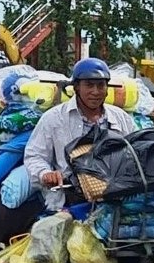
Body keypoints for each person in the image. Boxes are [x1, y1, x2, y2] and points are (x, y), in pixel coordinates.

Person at [23, 57, 136, 211]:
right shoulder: (54, 118)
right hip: (69, 198)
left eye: (101, 85)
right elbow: (35, 155)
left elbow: (137, 152)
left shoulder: (121, 118)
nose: (95, 92)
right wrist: (46, 174)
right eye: (89, 85)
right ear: (76, 87)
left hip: (116, 198)